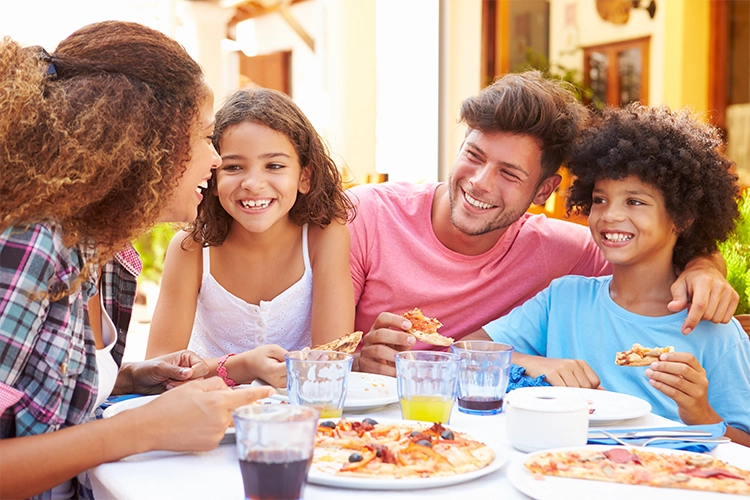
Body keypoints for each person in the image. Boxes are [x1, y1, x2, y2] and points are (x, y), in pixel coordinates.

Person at [0, 22, 273, 499]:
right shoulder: (33, 244)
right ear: (148, 146)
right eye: (205, 137)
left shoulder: (104, 250)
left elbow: (35, 401)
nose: (214, 158)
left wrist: (128, 380)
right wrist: (144, 428)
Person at [350, 71, 739, 377]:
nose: (480, 182)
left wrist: (705, 266)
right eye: (474, 154)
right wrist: (356, 362)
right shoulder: (366, 214)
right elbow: (314, 357)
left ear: (544, 191)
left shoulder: (567, 251)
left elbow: (654, 252)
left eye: (510, 173)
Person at [475, 104, 750, 446]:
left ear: (682, 217)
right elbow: (466, 353)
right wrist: (534, 363)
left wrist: (699, 412)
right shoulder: (564, 299)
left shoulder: (714, 329)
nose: (610, 215)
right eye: (600, 199)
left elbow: (743, 444)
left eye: (635, 202)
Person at [146, 87, 356, 388]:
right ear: (213, 177)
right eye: (233, 167)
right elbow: (159, 371)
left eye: (274, 166)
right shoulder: (191, 249)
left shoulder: (325, 236)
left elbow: (331, 362)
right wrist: (242, 367)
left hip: (303, 415)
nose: (253, 183)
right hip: (211, 417)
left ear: (304, 177)